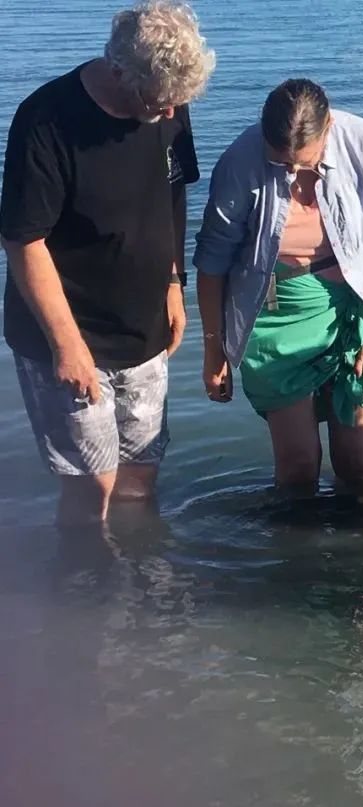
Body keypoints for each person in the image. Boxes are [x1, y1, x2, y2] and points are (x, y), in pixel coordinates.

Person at [0, 1, 215, 526]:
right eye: (160, 100)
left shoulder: (168, 98)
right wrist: (67, 346)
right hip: (69, 338)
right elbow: (24, 241)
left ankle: (140, 587)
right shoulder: (46, 121)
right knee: (91, 488)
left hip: (143, 329)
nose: (169, 113)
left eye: (177, 102)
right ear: (121, 72)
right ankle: (85, 594)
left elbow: (174, 192)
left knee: (140, 477)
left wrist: (173, 280)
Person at [195, 79, 363, 498]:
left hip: (353, 306)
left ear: (327, 129)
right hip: (275, 316)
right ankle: (295, 560)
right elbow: (212, 262)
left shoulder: (361, 140)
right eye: (281, 163)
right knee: (297, 467)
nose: (292, 172)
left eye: (303, 162)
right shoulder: (239, 161)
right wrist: (213, 349)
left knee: (360, 465)